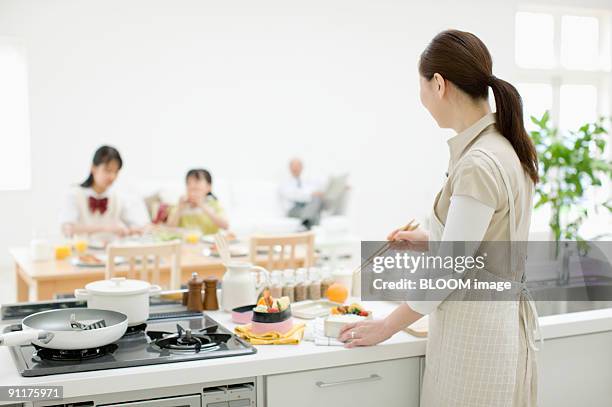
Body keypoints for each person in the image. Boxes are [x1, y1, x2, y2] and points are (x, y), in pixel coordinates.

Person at [338, 30, 540, 407]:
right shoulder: (503, 146)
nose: (423, 101)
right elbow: (484, 249)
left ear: (439, 84)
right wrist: (430, 240)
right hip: (493, 329)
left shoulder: (478, 162)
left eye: (422, 89)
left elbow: (447, 271)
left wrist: (385, 327)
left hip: (474, 339)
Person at [60, 145, 148, 237]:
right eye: (107, 170)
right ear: (93, 168)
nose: (112, 177)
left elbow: (133, 223)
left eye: (116, 172)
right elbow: (67, 229)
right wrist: (107, 229)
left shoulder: (116, 198)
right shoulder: (74, 194)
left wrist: (136, 229)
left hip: (109, 251)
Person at [166, 169, 228, 234]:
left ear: (209, 187)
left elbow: (225, 225)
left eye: (197, 189)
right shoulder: (181, 205)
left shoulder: (213, 204)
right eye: (190, 189)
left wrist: (203, 206)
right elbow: (169, 228)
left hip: (209, 243)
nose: (193, 193)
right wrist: (179, 209)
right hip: (187, 242)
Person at [278, 158, 325, 229]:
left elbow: (317, 188)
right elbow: (294, 195)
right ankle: (307, 223)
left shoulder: (306, 181)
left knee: (317, 199)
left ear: (302, 168)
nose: (295, 168)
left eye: (297, 166)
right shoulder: (284, 182)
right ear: (290, 168)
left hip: (306, 208)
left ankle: (305, 224)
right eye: (293, 166)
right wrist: (310, 194)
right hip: (293, 210)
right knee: (315, 215)